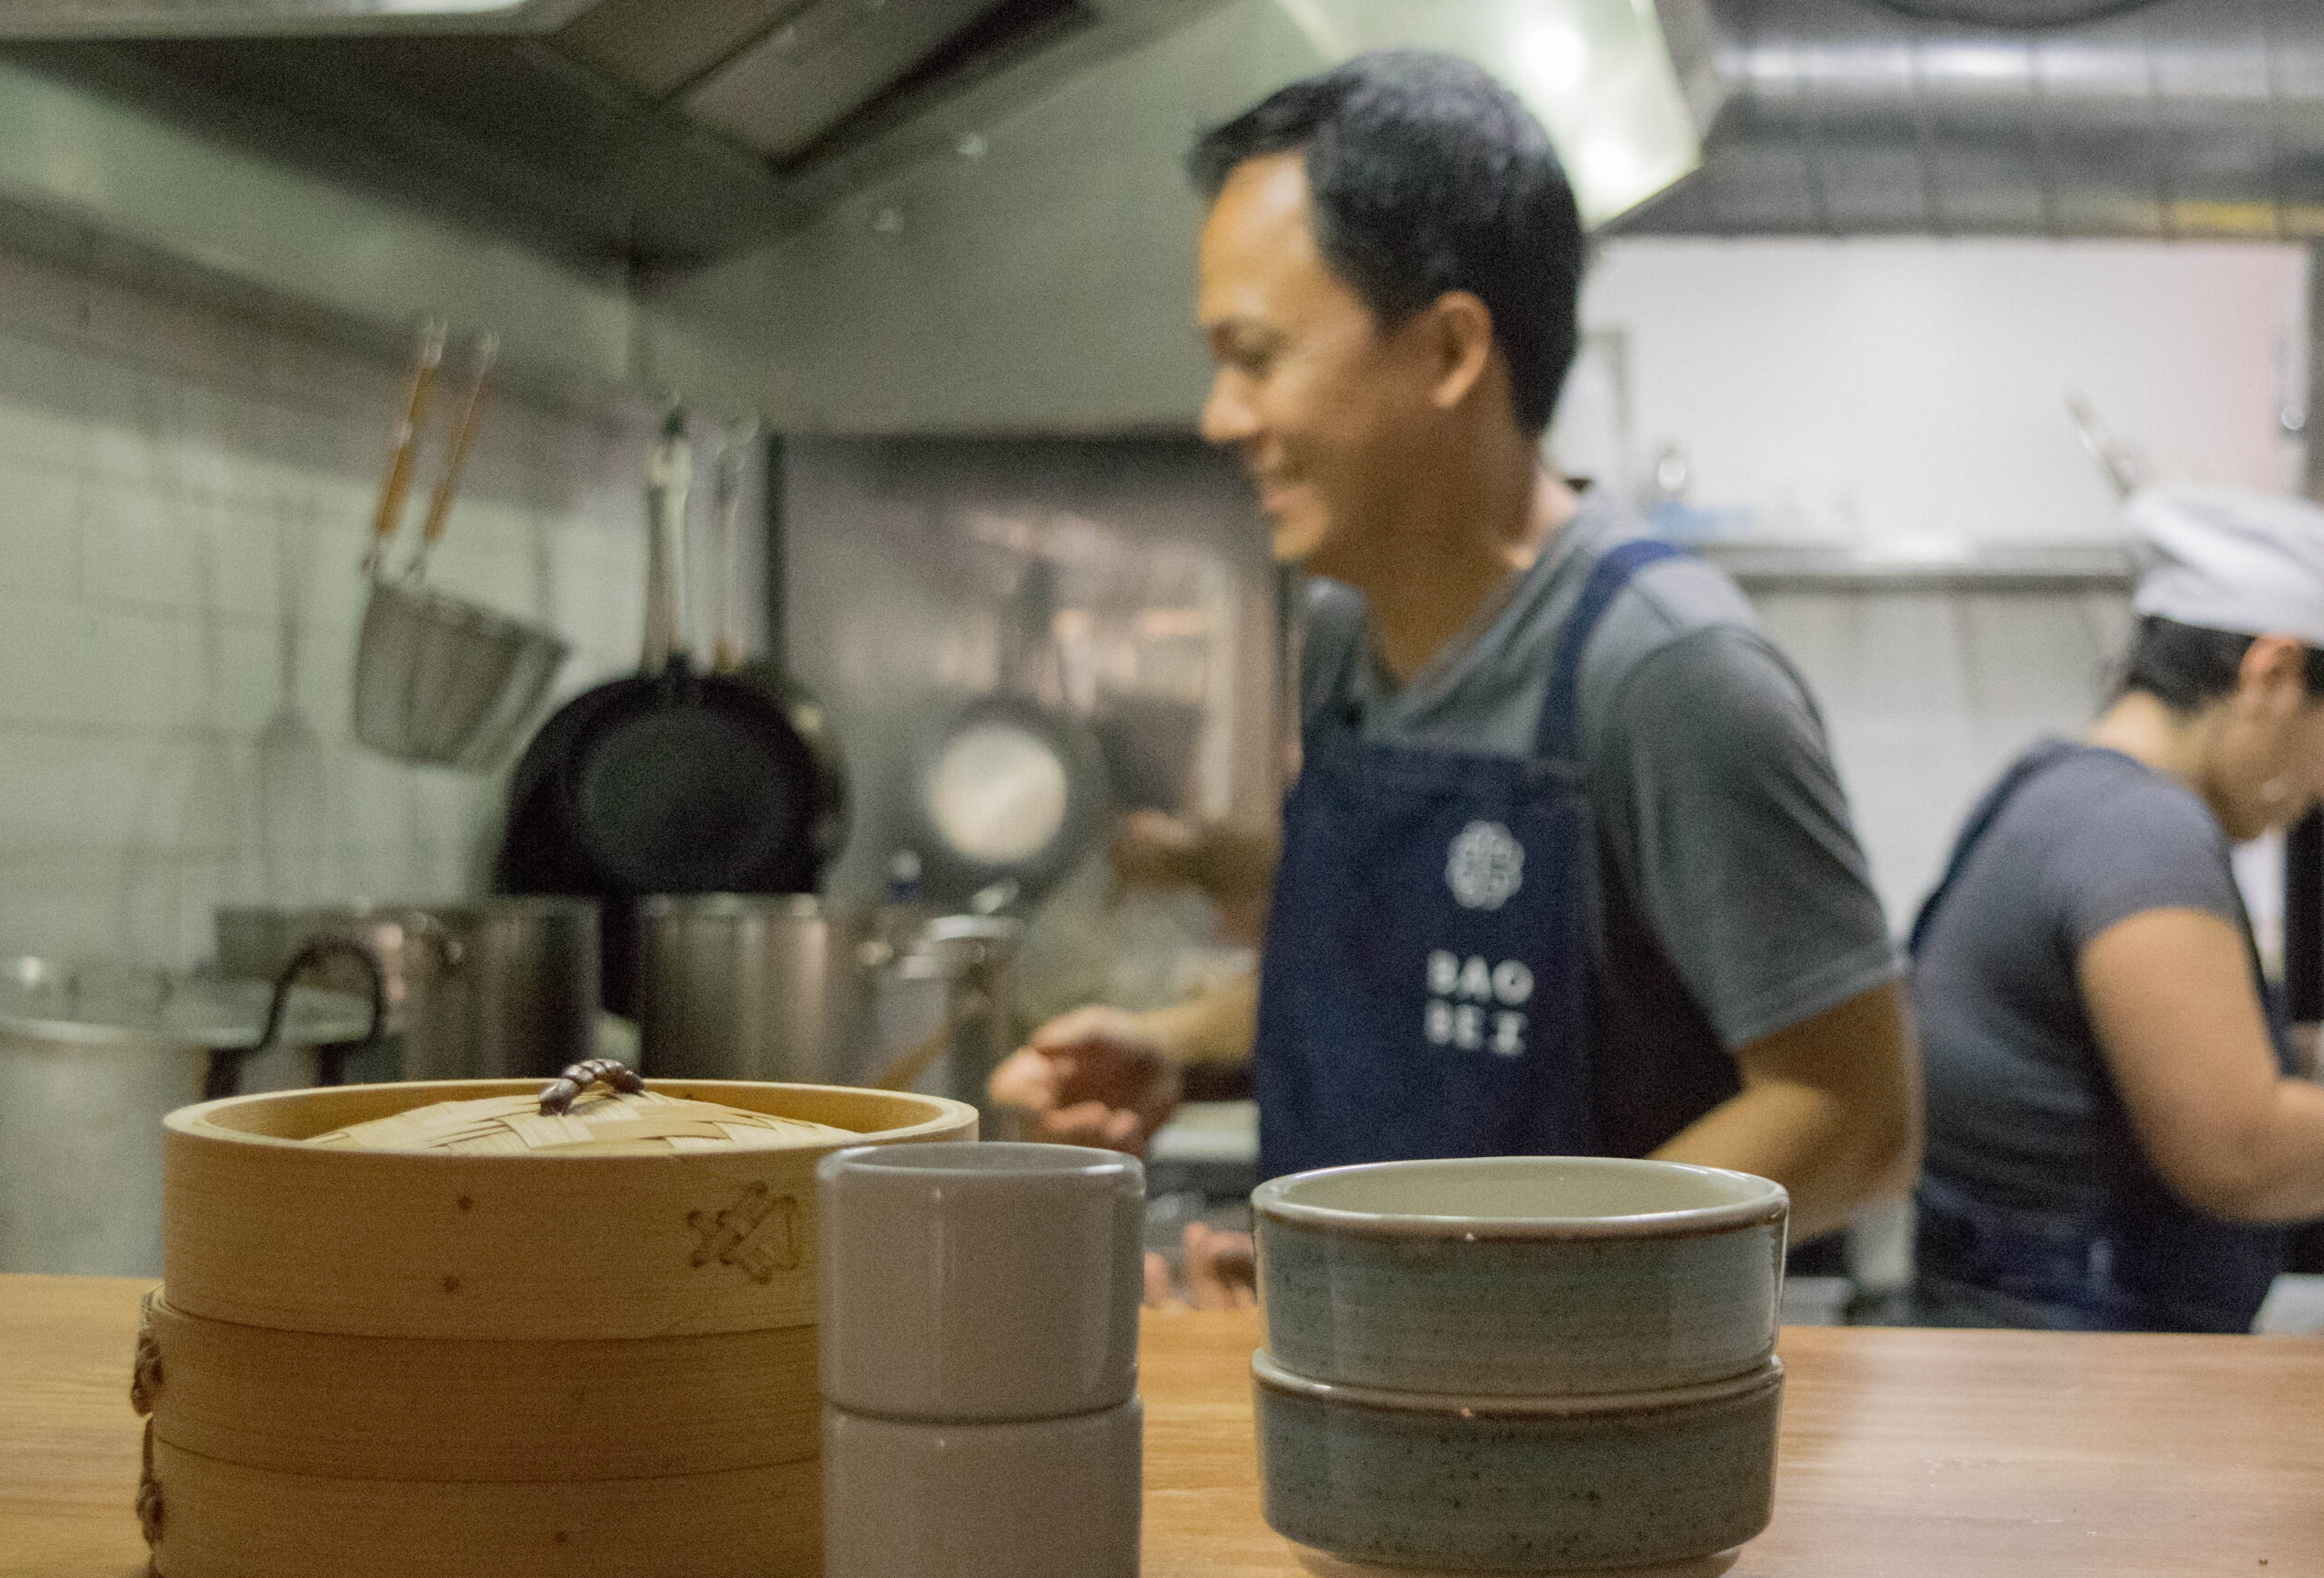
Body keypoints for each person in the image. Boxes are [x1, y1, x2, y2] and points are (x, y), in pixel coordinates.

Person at [990, 52, 1920, 1301]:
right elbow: (1398, 988)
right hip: (1364, 1391)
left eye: (1257, 355)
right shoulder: (1340, 631)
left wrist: (1459, 1304)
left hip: (1595, 1432)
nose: (1221, 415)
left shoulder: (1667, 670)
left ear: (1448, 348)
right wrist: (1184, 1052)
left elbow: (1854, 1114)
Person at [1910, 486, 2324, 1333]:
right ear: (2272, 675)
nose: (2317, 788)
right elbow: (2235, 1149)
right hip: (2074, 1353)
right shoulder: (2144, 831)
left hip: (2010, 1330)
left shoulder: (2053, 784)